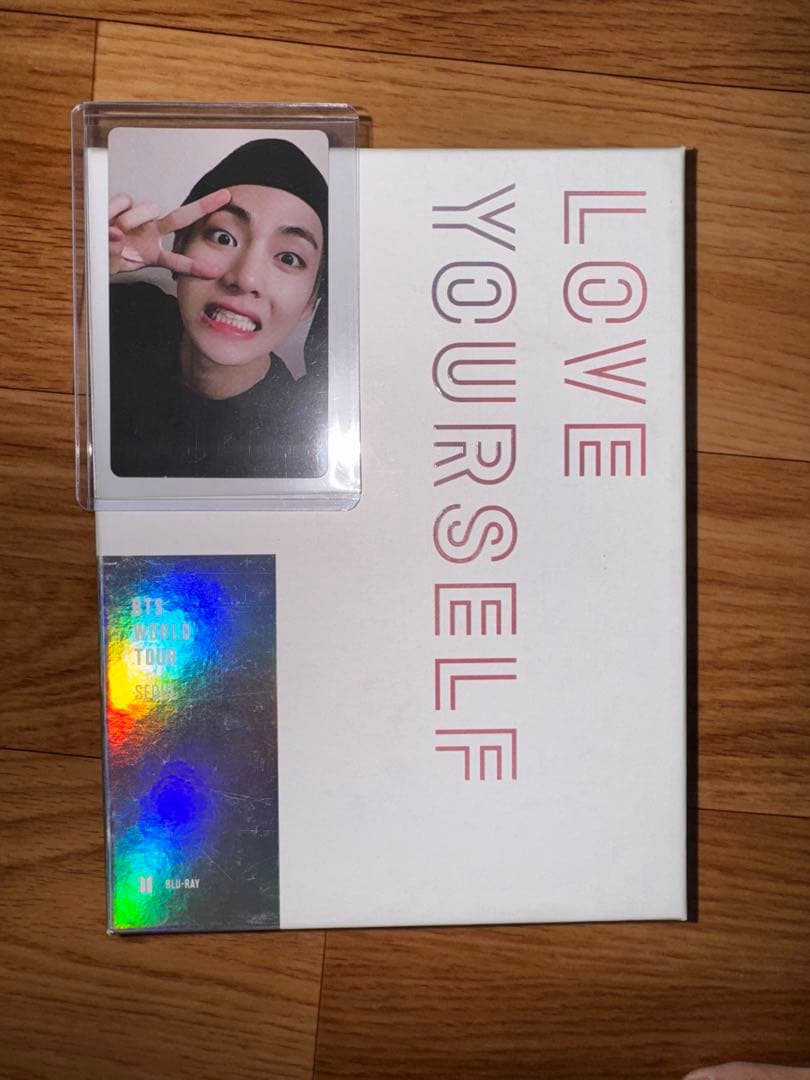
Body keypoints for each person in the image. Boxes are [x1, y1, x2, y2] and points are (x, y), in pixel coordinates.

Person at [108, 138, 328, 478]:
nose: (246, 277)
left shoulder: (298, 440)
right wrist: (87, 273)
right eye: (224, 238)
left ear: (310, 302)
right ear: (179, 246)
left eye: (289, 258)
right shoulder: (121, 315)